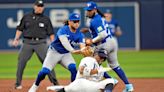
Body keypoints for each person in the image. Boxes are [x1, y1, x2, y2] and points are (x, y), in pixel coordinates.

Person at [28, 13, 87, 92]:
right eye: (74, 21)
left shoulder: (80, 35)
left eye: (78, 21)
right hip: (54, 52)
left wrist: (85, 51)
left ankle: (73, 88)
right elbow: (65, 44)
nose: (76, 23)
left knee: (73, 68)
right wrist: (75, 51)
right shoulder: (63, 30)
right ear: (69, 22)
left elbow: (82, 47)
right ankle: (35, 85)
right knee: (44, 72)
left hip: (65, 54)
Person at [82, 1, 134, 92]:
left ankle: (110, 81)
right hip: (112, 42)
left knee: (93, 64)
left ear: (94, 10)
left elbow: (102, 34)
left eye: (90, 10)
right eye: (87, 10)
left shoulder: (95, 20)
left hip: (104, 44)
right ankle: (128, 85)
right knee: (115, 65)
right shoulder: (99, 18)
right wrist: (88, 30)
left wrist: (91, 41)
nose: (88, 12)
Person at [12, 0, 59, 89]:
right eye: (38, 6)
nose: (40, 8)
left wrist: (54, 44)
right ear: (34, 6)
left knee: (48, 62)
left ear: (43, 8)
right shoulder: (26, 17)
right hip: (27, 42)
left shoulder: (46, 19)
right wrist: (16, 39)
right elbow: (20, 28)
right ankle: (18, 83)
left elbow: (51, 33)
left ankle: (55, 83)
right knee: (21, 62)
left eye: (41, 6)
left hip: (40, 43)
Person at [47, 48, 117, 92]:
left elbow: (108, 78)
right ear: (95, 54)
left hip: (83, 86)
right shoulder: (89, 59)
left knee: (67, 89)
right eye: (100, 56)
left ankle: (60, 89)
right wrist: (99, 71)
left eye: (103, 58)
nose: (102, 59)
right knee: (112, 81)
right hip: (81, 83)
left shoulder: (101, 69)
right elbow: (82, 71)